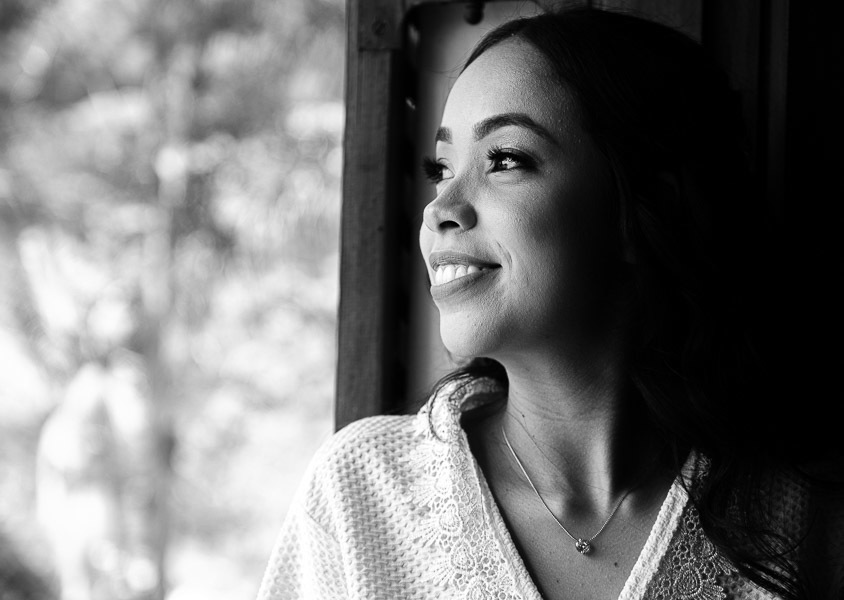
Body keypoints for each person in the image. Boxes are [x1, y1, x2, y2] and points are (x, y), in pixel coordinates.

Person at [256, 7, 843, 599]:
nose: (440, 209)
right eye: (442, 168)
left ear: (638, 209)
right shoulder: (361, 493)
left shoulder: (802, 510)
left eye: (505, 160)